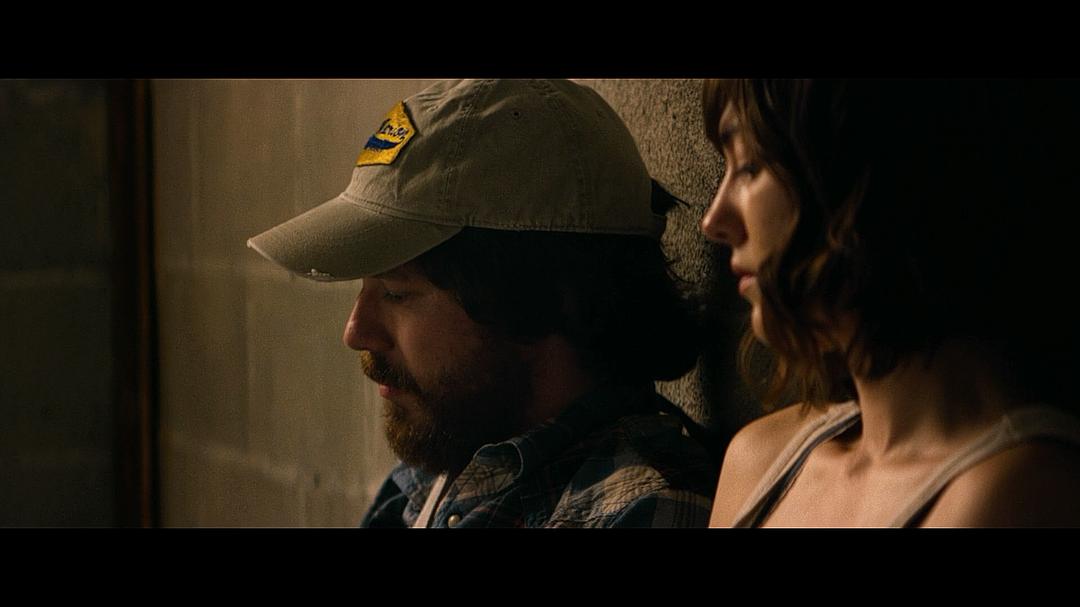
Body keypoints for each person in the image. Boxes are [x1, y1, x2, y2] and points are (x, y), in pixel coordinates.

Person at [247, 79, 717, 528]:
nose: (356, 332)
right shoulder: (434, 474)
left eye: (395, 292)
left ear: (537, 298)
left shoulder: (639, 511)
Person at [700, 79, 1080, 527]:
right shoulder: (759, 459)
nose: (712, 221)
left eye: (749, 165)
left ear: (859, 171)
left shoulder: (1019, 494)